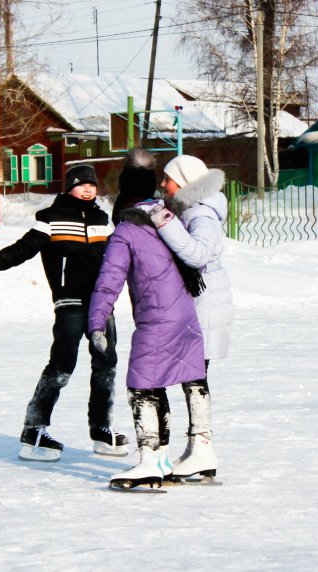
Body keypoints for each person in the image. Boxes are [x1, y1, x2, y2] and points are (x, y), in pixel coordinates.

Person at [0, 164, 129, 462]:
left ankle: (101, 428)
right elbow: (21, 249)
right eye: (81, 184)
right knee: (61, 367)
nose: (88, 188)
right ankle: (34, 429)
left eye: (92, 184)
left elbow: (120, 257)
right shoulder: (51, 220)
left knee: (106, 365)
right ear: (68, 188)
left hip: (102, 305)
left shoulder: (103, 221)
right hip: (70, 304)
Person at [88, 149, 206, 489]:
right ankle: (167, 455)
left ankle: (150, 460)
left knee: (141, 385)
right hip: (185, 314)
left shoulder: (126, 231)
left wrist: (97, 324)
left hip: (157, 319)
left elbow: (108, 282)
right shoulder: (169, 219)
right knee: (161, 381)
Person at [142, 154, 234, 480]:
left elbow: (198, 254)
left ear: (184, 181)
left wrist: (163, 222)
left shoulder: (201, 214)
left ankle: (202, 447)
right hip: (198, 302)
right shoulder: (193, 209)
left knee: (194, 378)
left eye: (168, 179)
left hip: (203, 304)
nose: (164, 185)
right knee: (191, 377)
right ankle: (199, 449)